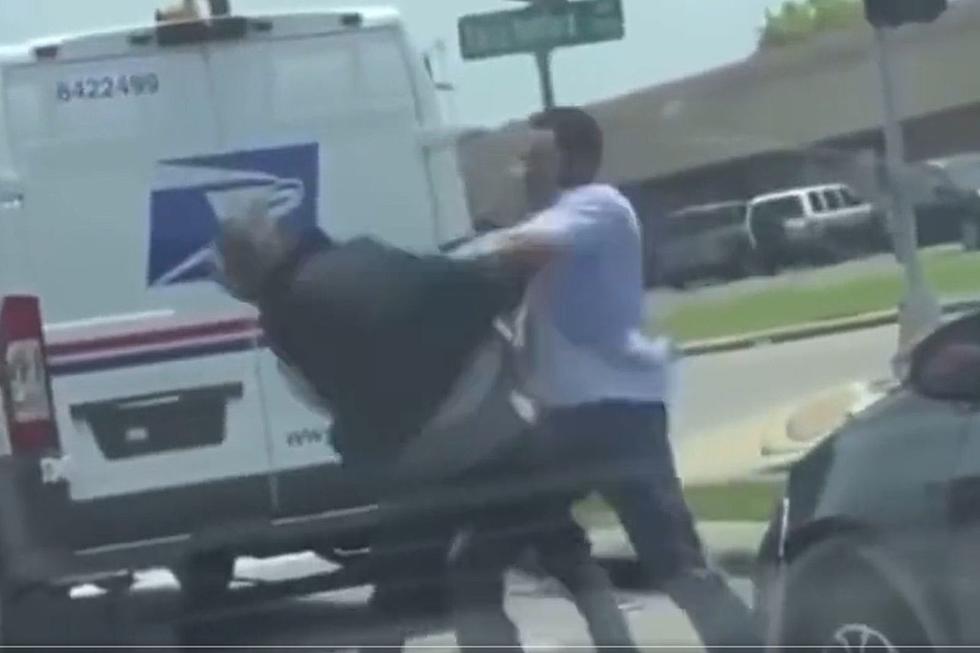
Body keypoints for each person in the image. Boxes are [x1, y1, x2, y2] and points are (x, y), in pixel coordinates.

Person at [212, 205, 637, 652]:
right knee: (561, 548)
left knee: (412, 590)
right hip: (495, 425)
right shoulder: (365, 254)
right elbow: (453, 283)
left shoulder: (283, 324)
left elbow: (321, 399)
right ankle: (617, 641)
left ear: (244, 275)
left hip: (421, 462)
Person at [451, 106, 760, 653]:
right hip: (566, 424)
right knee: (476, 558)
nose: (524, 170)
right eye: (524, 158)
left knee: (677, 564)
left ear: (579, 159)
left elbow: (519, 248)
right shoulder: (554, 216)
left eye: (536, 157)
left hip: (617, 419)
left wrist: (448, 259)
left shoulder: (597, 207)